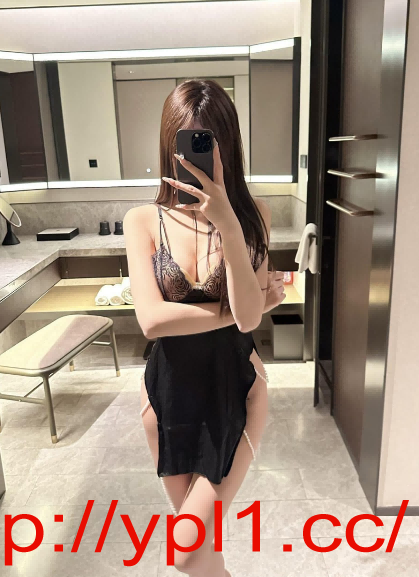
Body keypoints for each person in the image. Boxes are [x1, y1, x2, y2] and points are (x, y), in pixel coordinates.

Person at [124, 79, 286, 577]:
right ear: (168, 145)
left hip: (234, 396)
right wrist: (235, 310)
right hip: (167, 401)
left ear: (227, 146)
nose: (195, 157)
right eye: (186, 142)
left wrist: (228, 224)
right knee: (204, 557)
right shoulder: (143, 220)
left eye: (208, 142)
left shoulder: (253, 217)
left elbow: (250, 319)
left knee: (184, 553)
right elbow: (152, 321)